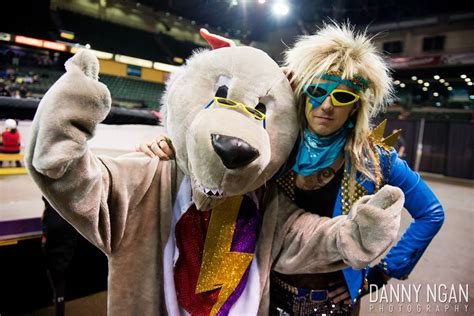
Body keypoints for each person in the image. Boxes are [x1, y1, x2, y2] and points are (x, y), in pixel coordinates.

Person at [138, 23, 444, 315]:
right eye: (318, 91)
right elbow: (223, 142)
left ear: (355, 107)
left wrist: (378, 275)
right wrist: (170, 146)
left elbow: (431, 213)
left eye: (342, 96)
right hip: (269, 292)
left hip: (333, 303)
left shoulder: (376, 160)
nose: (327, 105)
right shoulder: (280, 146)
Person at [41, 196, 80, 316]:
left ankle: (59, 301)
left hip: (58, 228)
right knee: (59, 277)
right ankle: (59, 300)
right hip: (66, 227)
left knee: (57, 276)